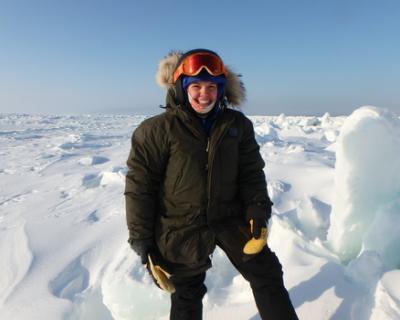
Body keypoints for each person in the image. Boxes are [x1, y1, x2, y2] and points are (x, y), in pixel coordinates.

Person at [125, 48, 298, 320]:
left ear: (221, 90)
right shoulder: (155, 131)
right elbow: (140, 188)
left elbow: (251, 172)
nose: (204, 94)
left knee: (267, 275)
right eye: (195, 86)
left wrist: (258, 209)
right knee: (187, 293)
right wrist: (142, 241)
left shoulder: (237, 125)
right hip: (181, 225)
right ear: (182, 87)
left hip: (230, 217)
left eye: (211, 87)